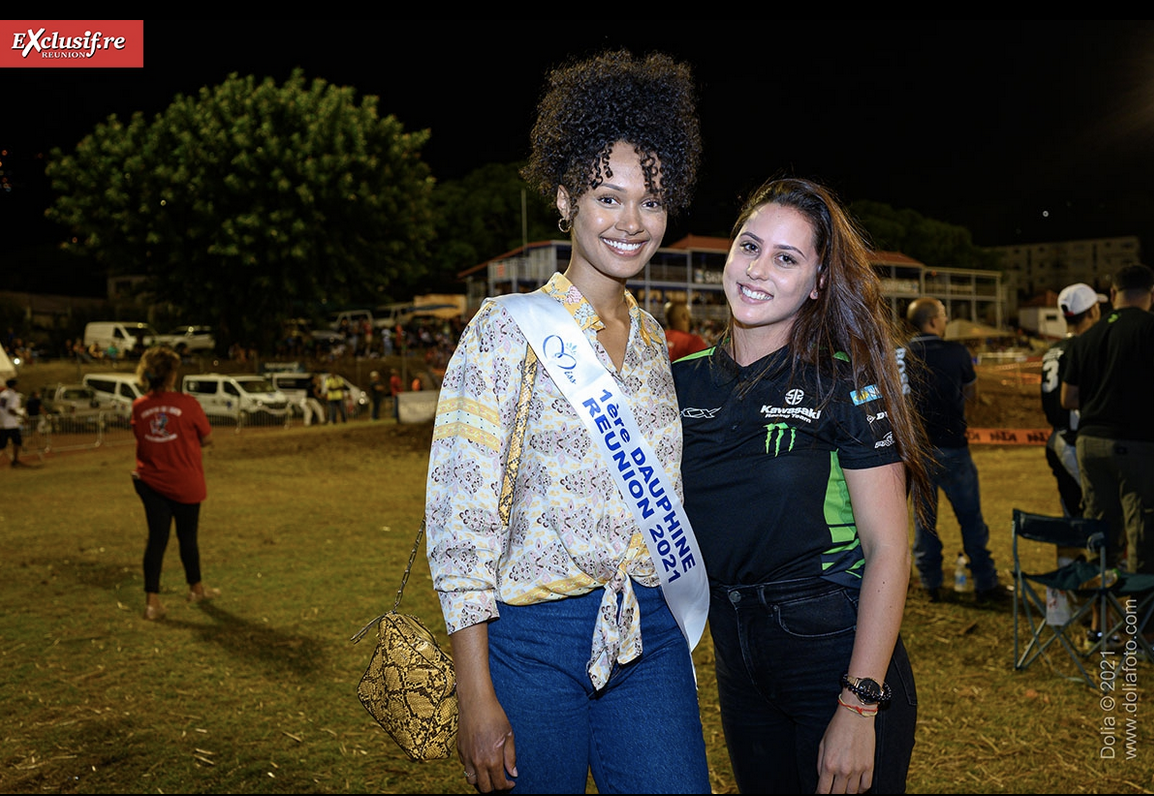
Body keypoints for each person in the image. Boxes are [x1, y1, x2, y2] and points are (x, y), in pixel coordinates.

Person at [423, 49, 710, 794]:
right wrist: (475, 691)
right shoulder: (505, 329)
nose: (632, 222)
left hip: (648, 633)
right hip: (532, 643)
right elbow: (460, 515)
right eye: (608, 198)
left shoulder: (654, 343)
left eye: (651, 201)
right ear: (564, 200)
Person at [673, 178, 929, 794]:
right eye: (749, 246)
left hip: (832, 649)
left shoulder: (846, 384)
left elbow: (889, 550)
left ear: (817, 282)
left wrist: (859, 704)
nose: (757, 270)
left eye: (785, 258)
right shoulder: (676, 382)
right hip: (734, 654)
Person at [902, 296, 1009, 605]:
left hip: (919, 452)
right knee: (971, 519)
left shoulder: (901, 353)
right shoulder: (957, 352)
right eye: (944, 315)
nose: (946, 321)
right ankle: (985, 582)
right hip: (954, 450)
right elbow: (971, 391)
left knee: (924, 522)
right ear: (933, 321)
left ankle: (930, 582)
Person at [1061, 264, 1154, 576]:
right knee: (1142, 533)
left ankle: (1103, 603)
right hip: (1138, 444)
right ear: (1151, 295)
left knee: (1101, 531)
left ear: (1113, 294)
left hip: (1090, 444)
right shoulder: (1149, 329)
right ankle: (1139, 607)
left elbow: (1068, 399)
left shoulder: (1086, 337)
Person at [130, 346, 218, 621]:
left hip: (152, 482)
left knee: (156, 540)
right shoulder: (187, 403)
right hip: (184, 480)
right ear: (171, 375)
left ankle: (152, 603)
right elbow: (207, 438)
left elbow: (142, 437)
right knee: (188, 538)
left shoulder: (139, 406)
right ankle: (196, 589)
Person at [1041, 283, 1105, 518]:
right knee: (1095, 513)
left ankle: (1072, 546)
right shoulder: (1085, 348)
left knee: (1071, 511)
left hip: (1056, 438)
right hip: (1074, 442)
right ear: (1091, 311)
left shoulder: (1054, 349)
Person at [0, 377, 27, 467]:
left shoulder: (2, 394)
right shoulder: (13, 395)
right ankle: (15, 460)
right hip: (11, 423)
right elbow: (11, 410)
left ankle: (15, 461)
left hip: (2, 423)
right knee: (17, 442)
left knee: (2, 445)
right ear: (14, 386)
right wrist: (21, 416)